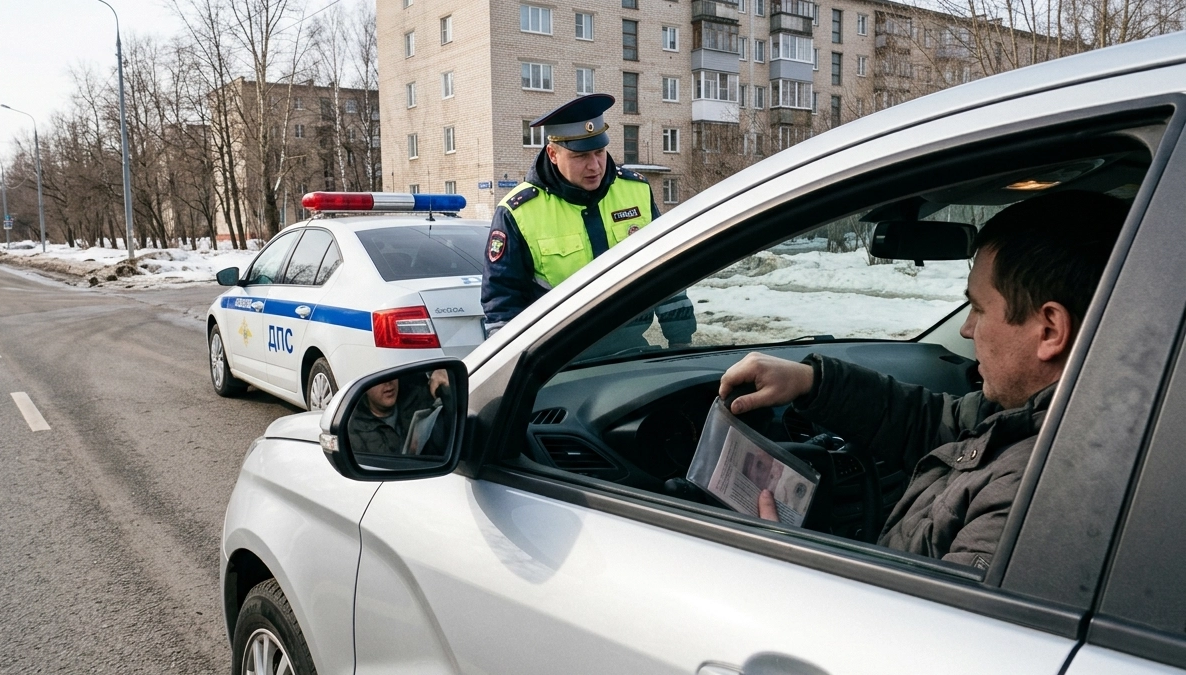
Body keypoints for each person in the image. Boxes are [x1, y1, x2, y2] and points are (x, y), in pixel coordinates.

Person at [718, 191, 1129, 569]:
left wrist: (788, 559)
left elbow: (916, 635)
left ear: (1050, 330)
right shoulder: (1036, 413)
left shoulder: (1036, 498)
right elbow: (933, 422)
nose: (966, 330)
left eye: (979, 310)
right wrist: (813, 382)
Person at [481, 93, 695, 347]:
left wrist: (681, 342)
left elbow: (665, 270)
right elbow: (503, 304)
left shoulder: (635, 190)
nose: (594, 165)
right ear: (552, 153)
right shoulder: (518, 213)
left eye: (599, 152)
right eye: (580, 156)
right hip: (559, 361)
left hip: (631, 349)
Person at [348, 370, 450, 456]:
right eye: (378, 376)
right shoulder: (352, 429)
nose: (388, 381)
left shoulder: (417, 398)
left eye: (392, 372)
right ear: (365, 385)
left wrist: (440, 376)